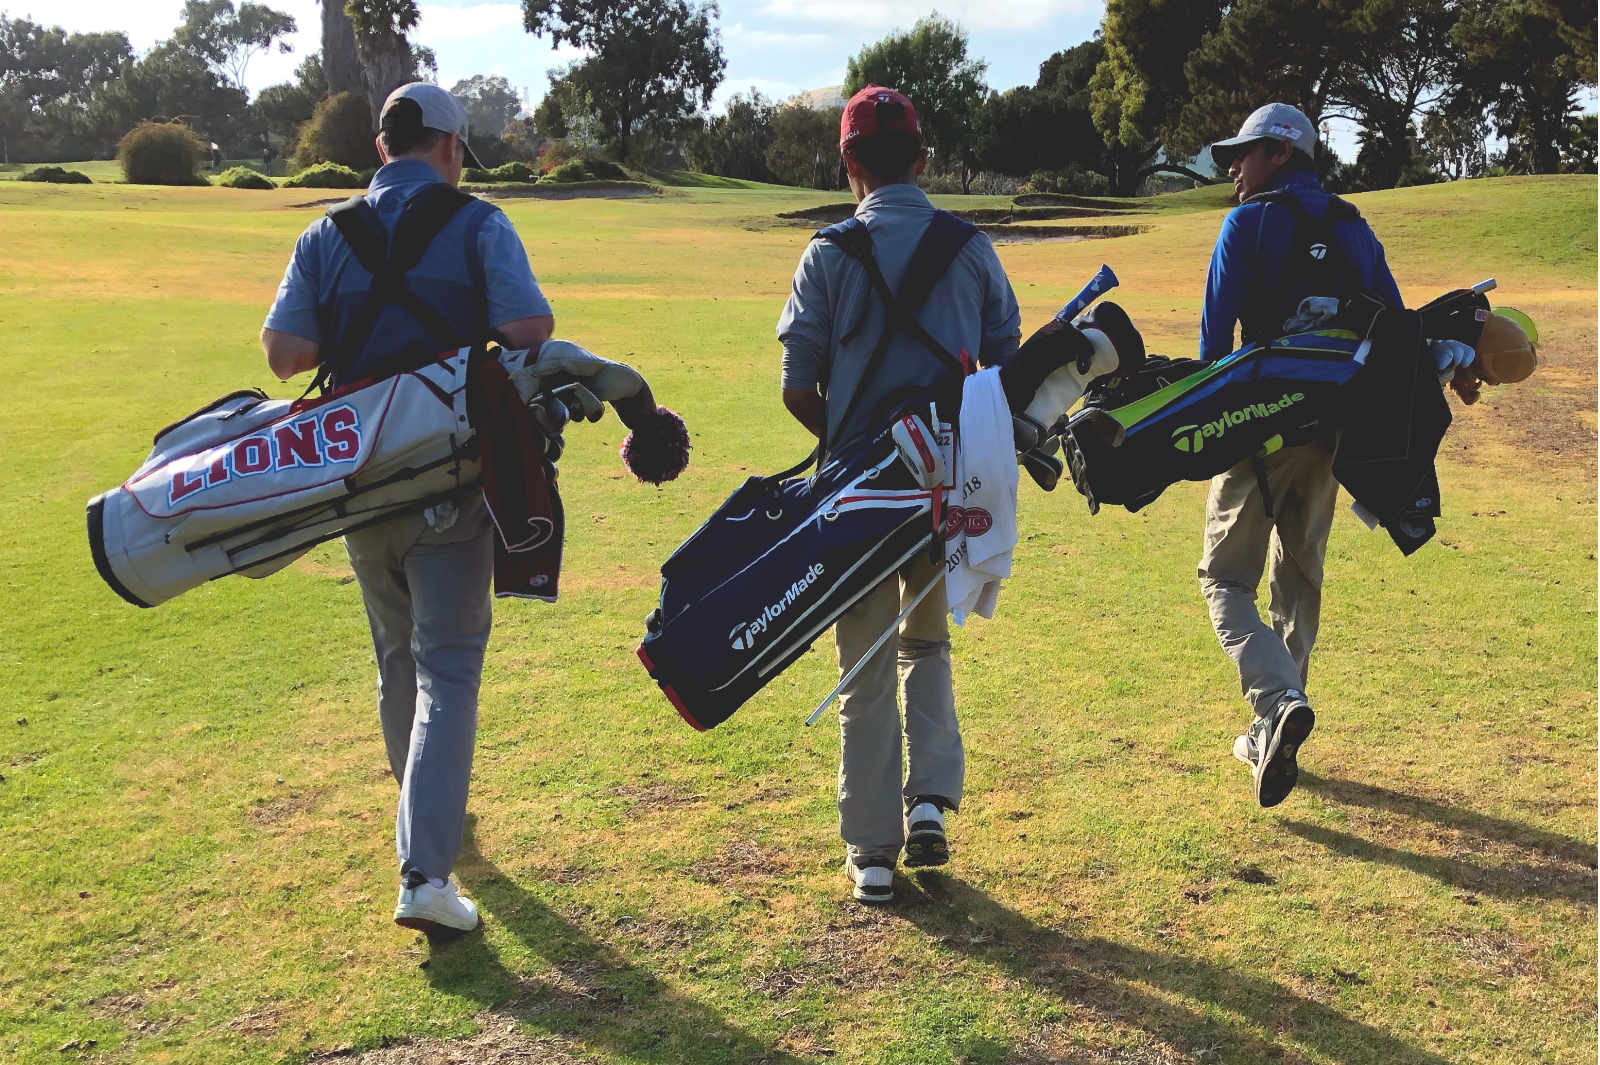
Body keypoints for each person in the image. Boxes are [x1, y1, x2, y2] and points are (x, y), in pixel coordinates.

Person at [260, 82, 554, 936]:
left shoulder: (327, 231)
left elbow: (286, 355)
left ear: (384, 146)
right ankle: (426, 871)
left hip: (354, 485)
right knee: (450, 666)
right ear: (452, 148)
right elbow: (529, 330)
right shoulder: (479, 223)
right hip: (447, 480)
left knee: (397, 660)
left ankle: (425, 814)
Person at [777, 85, 1020, 903]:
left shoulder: (828, 251)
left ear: (849, 163)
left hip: (857, 495)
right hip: (950, 486)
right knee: (928, 647)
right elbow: (1004, 367)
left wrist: (848, 443)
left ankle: (872, 850)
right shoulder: (970, 245)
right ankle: (930, 806)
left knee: (865, 668)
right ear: (923, 160)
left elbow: (795, 384)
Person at [1196, 103, 1403, 808]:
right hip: (1332, 433)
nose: (1234, 168)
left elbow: (1211, 348)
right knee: (1299, 576)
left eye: (1245, 152)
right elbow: (1395, 329)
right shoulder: (1352, 225)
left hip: (1258, 424)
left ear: (1281, 153)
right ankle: (1278, 726)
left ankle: (1277, 700)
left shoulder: (1245, 225)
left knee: (1223, 579)